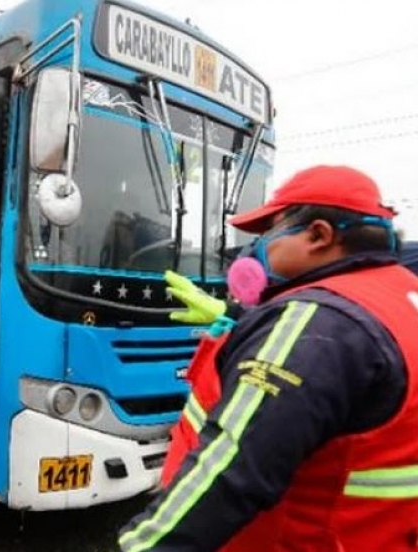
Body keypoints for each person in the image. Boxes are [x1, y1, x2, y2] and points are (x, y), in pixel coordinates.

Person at [118, 165, 418, 552]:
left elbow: (231, 472)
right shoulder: (399, 297)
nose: (254, 248)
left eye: (269, 231)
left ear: (318, 235)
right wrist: (244, 319)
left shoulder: (313, 322)